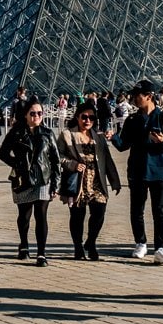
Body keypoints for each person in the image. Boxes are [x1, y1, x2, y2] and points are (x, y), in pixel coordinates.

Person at [111, 80, 163, 264]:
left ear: (148, 96)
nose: (133, 98)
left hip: (158, 171)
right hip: (137, 171)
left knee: (160, 211)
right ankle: (140, 242)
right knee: (136, 210)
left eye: (137, 95)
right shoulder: (132, 120)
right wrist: (113, 138)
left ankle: (160, 247)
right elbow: (123, 145)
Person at [0, 100, 61, 266]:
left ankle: (41, 253)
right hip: (23, 179)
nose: (37, 116)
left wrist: (56, 185)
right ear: (25, 115)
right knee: (24, 216)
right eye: (33, 113)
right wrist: (17, 164)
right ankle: (24, 244)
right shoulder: (16, 132)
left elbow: (56, 161)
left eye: (40, 113)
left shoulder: (48, 133)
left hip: (43, 178)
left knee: (41, 216)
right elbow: (2, 153)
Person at [57, 103, 121, 260]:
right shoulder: (67, 135)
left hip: (97, 180)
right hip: (78, 181)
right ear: (77, 117)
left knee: (99, 212)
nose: (87, 120)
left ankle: (91, 242)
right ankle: (78, 247)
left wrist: (115, 181)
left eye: (91, 117)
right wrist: (72, 164)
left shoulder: (98, 135)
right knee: (77, 216)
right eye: (84, 117)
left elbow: (107, 159)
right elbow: (58, 156)